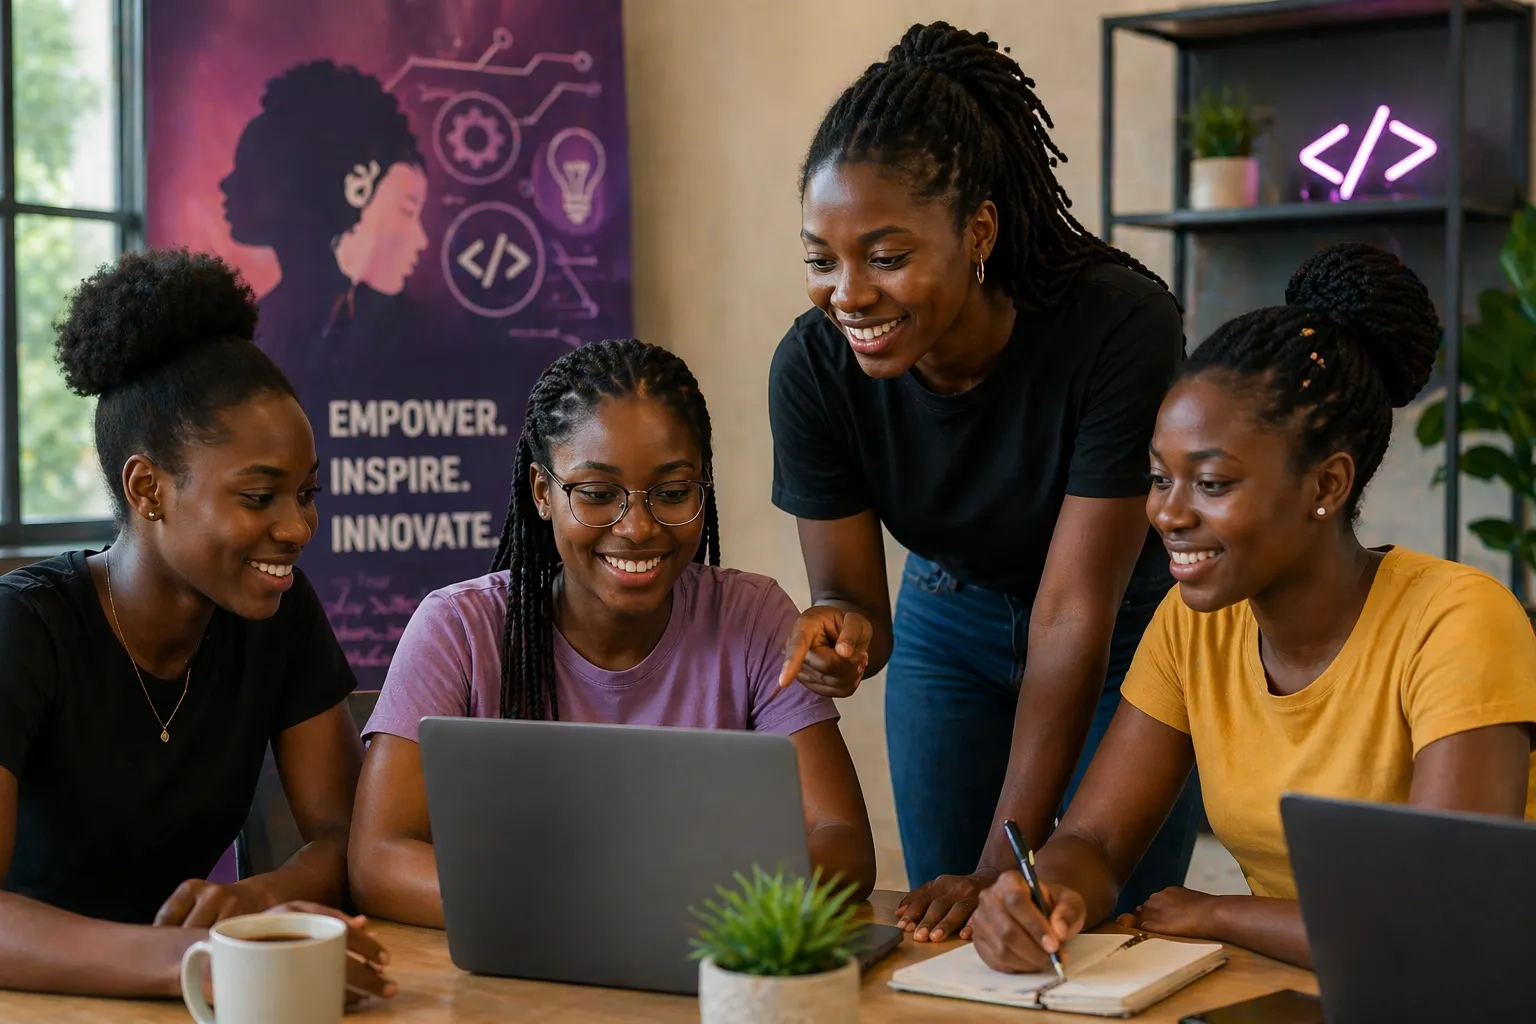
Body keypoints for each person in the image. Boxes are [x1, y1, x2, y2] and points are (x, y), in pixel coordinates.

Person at [968, 242, 1536, 972]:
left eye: (1211, 484)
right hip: (1309, 987)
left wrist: (1215, 913)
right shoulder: (1192, 626)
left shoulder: (1457, 623)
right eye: (1159, 478)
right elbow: (1096, 841)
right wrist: (1041, 894)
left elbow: (1439, 918)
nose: (1168, 514)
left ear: (1326, 485)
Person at [771, 19, 1198, 942]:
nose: (848, 294)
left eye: (886, 257)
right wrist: (843, 634)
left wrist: (1008, 863)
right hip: (948, 620)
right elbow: (858, 607)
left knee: (1093, 928)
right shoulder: (813, 369)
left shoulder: (1118, 326)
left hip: (1125, 633)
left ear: (978, 231)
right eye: (820, 260)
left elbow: (1073, 609)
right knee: (947, 927)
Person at [349, 339, 877, 928]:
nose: (638, 527)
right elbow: (378, 859)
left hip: (698, 954)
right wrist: (582, 910)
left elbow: (842, 842)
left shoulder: (752, 619)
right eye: (598, 495)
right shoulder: (459, 630)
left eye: (672, 493)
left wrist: (682, 908)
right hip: (517, 960)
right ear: (542, 492)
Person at [0, 249, 393, 1001]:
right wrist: (202, 959)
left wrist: (256, 902)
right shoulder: (24, 628)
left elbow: (349, 839)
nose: (297, 527)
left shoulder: (279, 614)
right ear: (148, 488)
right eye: (259, 498)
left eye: (306, 494)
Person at [220, 59, 429, 384]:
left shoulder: (403, 336)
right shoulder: (263, 328)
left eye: (251, 170)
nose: (228, 184)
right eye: (407, 210)